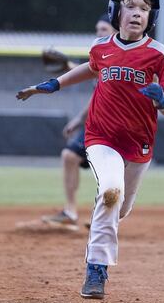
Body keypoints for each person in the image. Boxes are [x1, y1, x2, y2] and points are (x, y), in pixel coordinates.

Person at [16, 0, 164, 300]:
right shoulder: (102, 47)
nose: (137, 12)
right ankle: (96, 268)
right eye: (130, 5)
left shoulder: (158, 55)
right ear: (115, 11)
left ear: (152, 17)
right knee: (110, 190)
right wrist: (54, 84)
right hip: (101, 137)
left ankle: (106, 205)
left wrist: (161, 101)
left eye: (144, 8)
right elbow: (91, 68)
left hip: (140, 147)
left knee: (119, 207)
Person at [40, 15, 116, 231]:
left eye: (103, 29)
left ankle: (105, 217)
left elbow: (97, 75)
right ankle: (71, 211)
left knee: (109, 171)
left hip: (117, 126)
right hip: (97, 124)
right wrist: (79, 120)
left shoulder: (118, 56)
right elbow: (94, 77)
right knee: (70, 156)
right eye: (97, 29)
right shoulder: (101, 56)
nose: (98, 33)